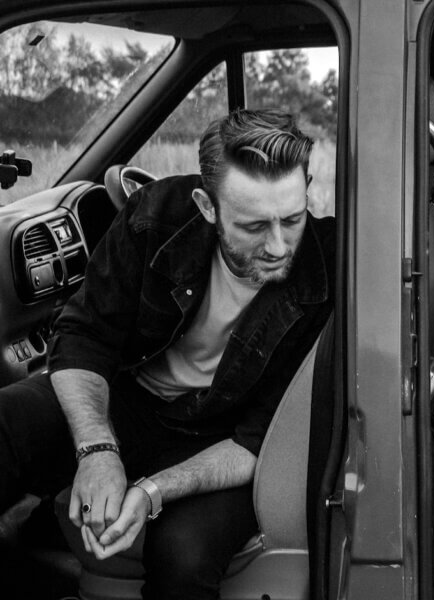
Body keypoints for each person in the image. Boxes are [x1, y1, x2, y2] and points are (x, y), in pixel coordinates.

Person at [0, 108, 334, 599]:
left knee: (184, 554)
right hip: (128, 402)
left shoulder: (325, 275)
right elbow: (83, 336)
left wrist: (152, 490)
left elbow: (259, 439)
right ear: (206, 205)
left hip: (226, 436)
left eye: (292, 218)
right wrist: (97, 449)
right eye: (253, 226)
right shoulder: (155, 216)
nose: (278, 246)